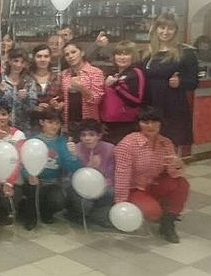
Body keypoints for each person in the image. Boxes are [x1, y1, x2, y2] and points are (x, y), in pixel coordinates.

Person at [114, 106, 190, 243]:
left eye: (154, 121)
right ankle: (155, 211)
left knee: (182, 184)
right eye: (145, 122)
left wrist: (178, 164)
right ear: (138, 124)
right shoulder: (128, 144)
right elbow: (122, 176)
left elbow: (173, 174)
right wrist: (121, 205)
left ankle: (168, 224)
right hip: (135, 188)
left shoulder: (165, 142)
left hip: (155, 184)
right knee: (153, 213)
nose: (150, 126)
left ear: (161, 123)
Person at [141, 13, 198, 148]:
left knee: (172, 146)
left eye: (170, 28)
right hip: (152, 106)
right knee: (152, 146)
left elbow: (194, 82)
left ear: (176, 31)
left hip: (174, 107)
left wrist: (180, 82)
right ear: (156, 28)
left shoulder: (186, 52)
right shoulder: (149, 53)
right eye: (162, 27)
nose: (165, 32)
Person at [20, 108, 81, 230]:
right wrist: (28, 175)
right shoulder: (32, 141)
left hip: (53, 182)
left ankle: (46, 212)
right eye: (50, 122)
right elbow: (23, 163)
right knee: (32, 194)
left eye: (57, 123)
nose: (54, 126)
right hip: (34, 181)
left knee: (58, 201)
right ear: (42, 122)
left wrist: (73, 156)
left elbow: (73, 168)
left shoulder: (62, 142)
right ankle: (30, 216)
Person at [64, 119, 114, 227]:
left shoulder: (110, 149)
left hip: (103, 188)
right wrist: (88, 167)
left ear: (99, 136)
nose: (87, 138)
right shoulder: (75, 149)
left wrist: (100, 181)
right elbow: (71, 176)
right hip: (79, 188)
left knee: (111, 193)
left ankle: (96, 214)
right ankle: (76, 213)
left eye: (91, 134)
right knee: (85, 205)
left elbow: (112, 174)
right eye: (83, 135)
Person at [99, 40, 145, 144]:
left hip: (125, 124)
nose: (122, 57)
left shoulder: (136, 73)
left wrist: (115, 85)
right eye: (119, 54)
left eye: (126, 54)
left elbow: (136, 101)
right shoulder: (113, 73)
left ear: (133, 56)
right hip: (108, 123)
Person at [59, 42, 105, 132]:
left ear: (82, 53)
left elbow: (96, 99)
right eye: (67, 54)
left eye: (73, 52)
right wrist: (59, 103)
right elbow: (63, 98)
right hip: (69, 123)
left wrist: (81, 87)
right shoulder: (64, 74)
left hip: (89, 124)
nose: (70, 56)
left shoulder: (95, 72)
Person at [0, 48, 37, 132]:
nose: (18, 65)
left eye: (22, 62)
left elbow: (31, 109)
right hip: (3, 127)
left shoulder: (29, 82)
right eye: (16, 61)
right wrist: (0, 93)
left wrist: (25, 98)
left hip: (24, 129)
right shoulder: (0, 79)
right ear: (10, 61)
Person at [29, 44, 61, 117]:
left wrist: (57, 105)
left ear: (50, 58)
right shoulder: (27, 78)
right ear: (33, 58)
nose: (42, 60)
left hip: (53, 119)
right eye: (39, 56)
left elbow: (63, 100)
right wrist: (33, 107)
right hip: (30, 119)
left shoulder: (57, 78)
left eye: (46, 56)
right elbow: (20, 102)